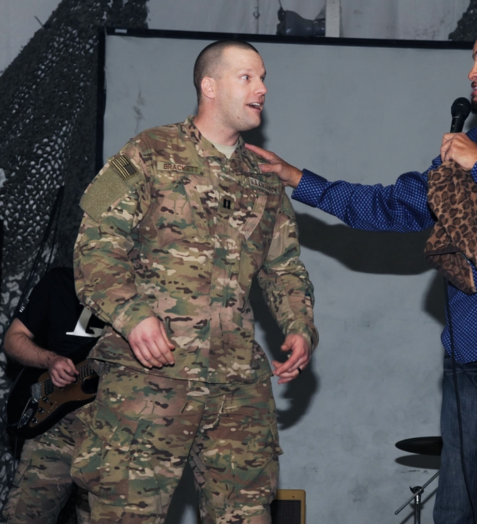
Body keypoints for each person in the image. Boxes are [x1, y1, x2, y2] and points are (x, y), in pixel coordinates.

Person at [247, 22, 477, 524]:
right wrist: (299, 179)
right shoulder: (473, 145)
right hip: (473, 350)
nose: (472, 72)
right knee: (455, 514)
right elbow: (392, 206)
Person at [71, 40, 318, 524]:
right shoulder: (146, 152)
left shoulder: (265, 178)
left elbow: (283, 266)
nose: (262, 88)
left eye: (263, 77)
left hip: (237, 386)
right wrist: (133, 316)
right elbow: (94, 246)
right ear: (209, 85)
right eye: (247, 77)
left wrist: (300, 326)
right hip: (148, 378)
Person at [2, 267, 106, 524]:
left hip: (111, 429)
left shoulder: (143, 292)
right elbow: (13, 339)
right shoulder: (60, 279)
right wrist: (50, 360)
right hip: (53, 423)